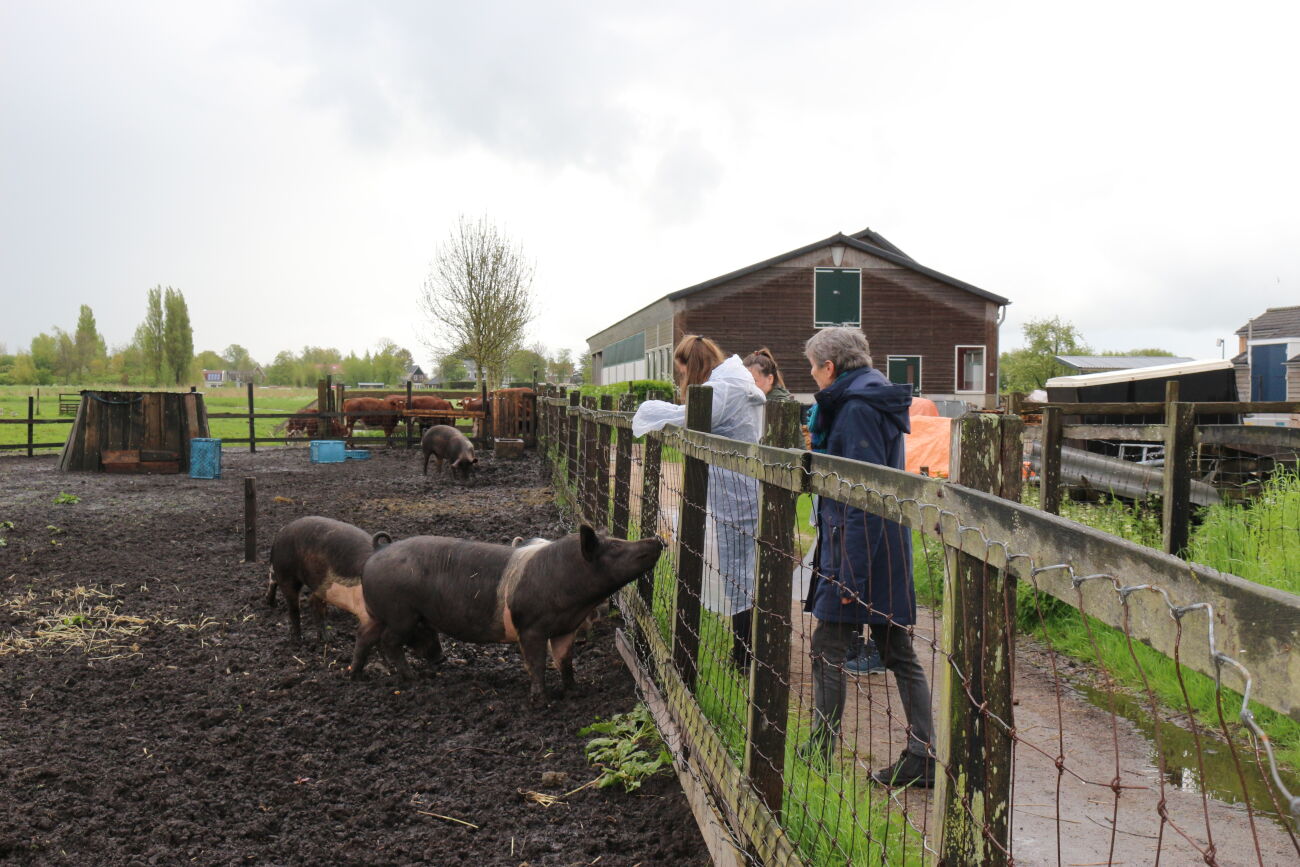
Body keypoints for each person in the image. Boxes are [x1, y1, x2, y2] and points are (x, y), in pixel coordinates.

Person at [802, 326, 935, 788]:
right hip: (883, 543)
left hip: (858, 546)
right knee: (896, 650)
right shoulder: (866, 398)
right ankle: (923, 754)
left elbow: (861, 496)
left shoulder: (856, 408)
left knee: (828, 647)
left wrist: (846, 577)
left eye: (814, 369)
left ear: (830, 367)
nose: (814, 378)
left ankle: (820, 745)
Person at [633, 335, 767, 670]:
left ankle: (745, 659)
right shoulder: (734, 382)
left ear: (693, 366)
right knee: (744, 569)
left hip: (735, 491)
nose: (683, 380)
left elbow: (685, 416)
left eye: (682, 373)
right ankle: (747, 652)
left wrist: (647, 408)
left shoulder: (721, 391)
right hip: (740, 486)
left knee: (739, 572)